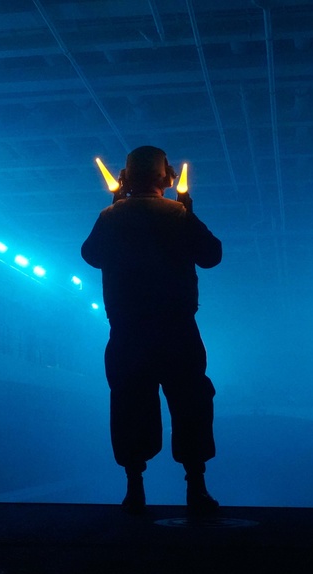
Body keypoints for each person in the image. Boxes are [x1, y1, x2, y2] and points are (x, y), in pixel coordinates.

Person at [81, 145, 222, 514]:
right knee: (191, 404)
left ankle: (134, 489)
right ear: (168, 178)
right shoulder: (177, 214)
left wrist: (115, 204)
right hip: (177, 330)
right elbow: (211, 256)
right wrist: (187, 207)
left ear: (125, 179)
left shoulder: (110, 216)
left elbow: (91, 255)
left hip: (127, 332)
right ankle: (196, 488)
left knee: (130, 405)